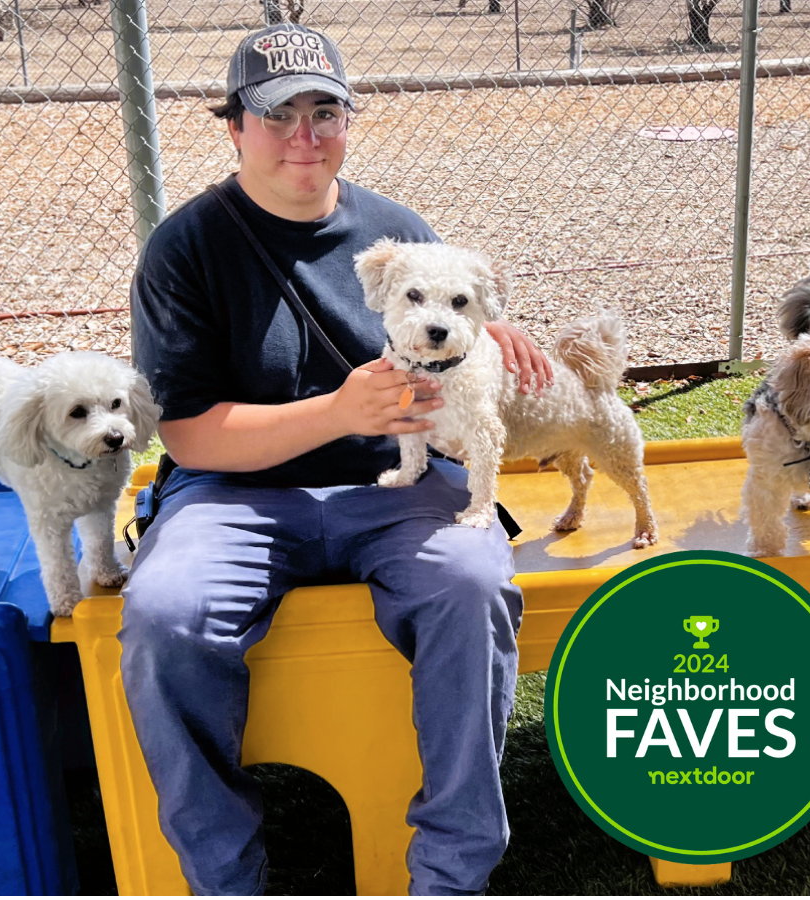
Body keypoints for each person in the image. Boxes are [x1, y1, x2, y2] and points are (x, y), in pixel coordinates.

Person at [123, 22, 551, 895]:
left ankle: (451, 872)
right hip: (231, 492)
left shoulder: (396, 229)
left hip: (393, 483)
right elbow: (192, 434)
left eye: (325, 112)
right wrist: (337, 410)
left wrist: (485, 337)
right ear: (235, 126)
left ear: (350, 123)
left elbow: (451, 334)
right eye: (278, 116)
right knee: (166, 613)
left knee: (471, 586)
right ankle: (225, 876)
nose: (304, 137)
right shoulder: (186, 248)